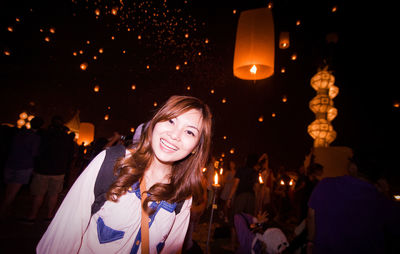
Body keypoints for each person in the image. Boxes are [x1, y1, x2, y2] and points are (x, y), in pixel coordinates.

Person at [36, 95, 213, 254]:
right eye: (171, 121)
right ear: (155, 122)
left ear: (196, 147)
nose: (175, 135)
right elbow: (61, 239)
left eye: (189, 132)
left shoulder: (182, 194)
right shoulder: (113, 163)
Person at [306, 149, 400, 254]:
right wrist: (386, 192)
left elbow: (311, 215)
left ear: (353, 167)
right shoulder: (383, 202)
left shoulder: (326, 185)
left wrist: (311, 241)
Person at [23, 116, 74, 223]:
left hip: (43, 169)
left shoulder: (43, 135)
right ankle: (49, 215)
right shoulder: (66, 138)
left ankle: (32, 216)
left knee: (39, 194)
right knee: (54, 194)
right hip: (58, 170)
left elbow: (36, 151)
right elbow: (70, 155)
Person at [0, 116, 44, 217]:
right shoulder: (35, 138)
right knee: (12, 192)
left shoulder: (19, 133)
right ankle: (3, 212)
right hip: (24, 166)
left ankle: (7, 210)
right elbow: (34, 153)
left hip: (10, 163)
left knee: (8, 190)